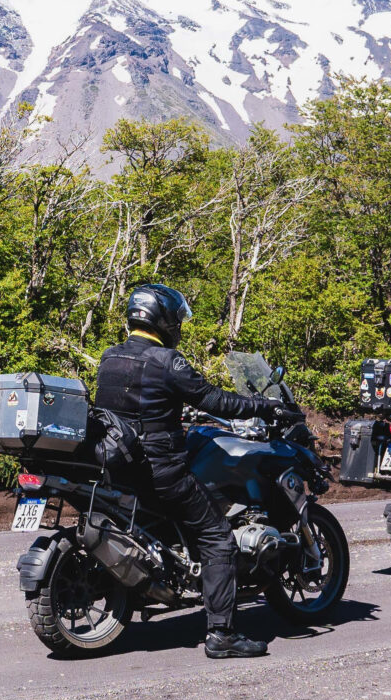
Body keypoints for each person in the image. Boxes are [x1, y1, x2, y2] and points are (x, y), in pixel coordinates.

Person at [93, 283, 287, 660]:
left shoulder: (110, 357)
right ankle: (222, 634)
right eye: (176, 319)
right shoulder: (168, 361)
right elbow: (214, 399)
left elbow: (131, 406)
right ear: (163, 320)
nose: (179, 326)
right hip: (161, 471)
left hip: (119, 467)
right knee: (218, 537)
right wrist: (264, 406)